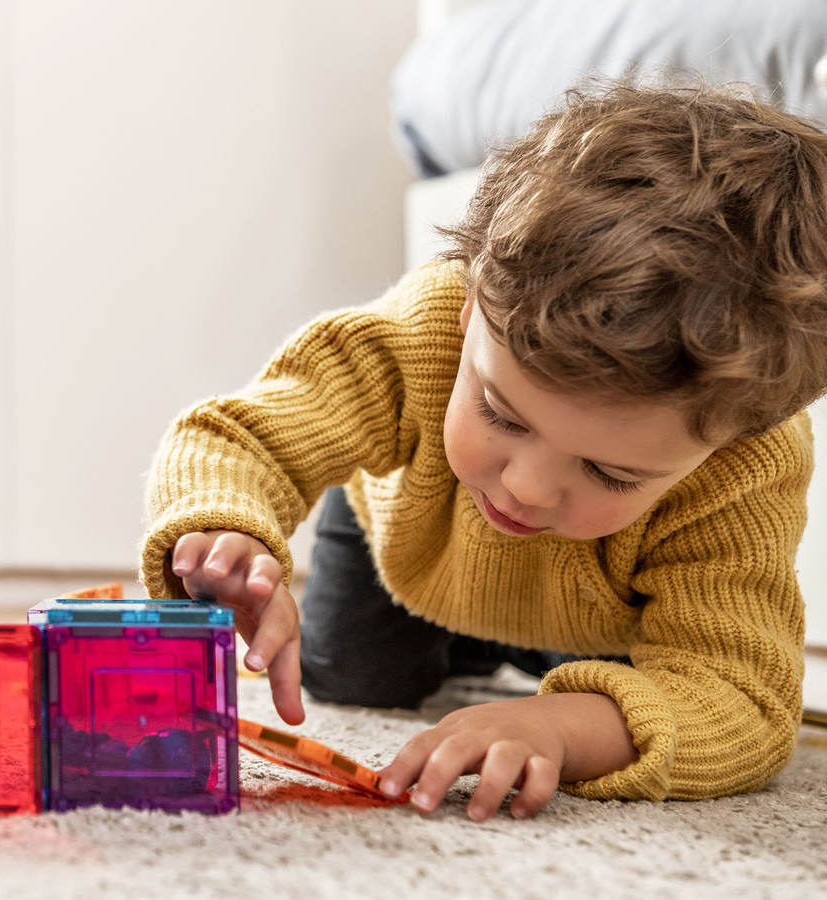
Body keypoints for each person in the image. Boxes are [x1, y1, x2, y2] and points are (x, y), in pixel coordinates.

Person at [139, 82, 827, 820]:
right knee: (350, 678)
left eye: (609, 471)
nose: (526, 488)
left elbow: (743, 703)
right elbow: (240, 436)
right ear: (471, 308)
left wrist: (559, 726)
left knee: (585, 708)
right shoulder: (421, 327)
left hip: (600, 613)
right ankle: (478, 645)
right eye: (500, 412)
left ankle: (539, 672)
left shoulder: (745, 463)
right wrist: (226, 537)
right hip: (414, 542)